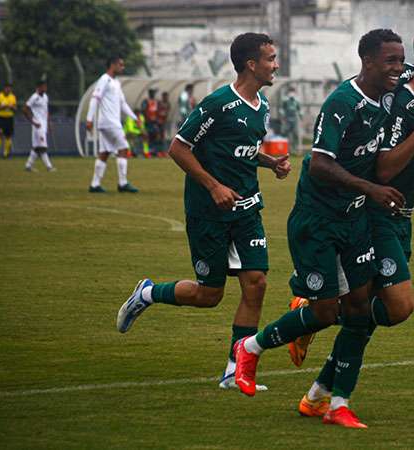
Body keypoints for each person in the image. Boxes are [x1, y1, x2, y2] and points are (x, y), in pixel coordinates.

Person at [292, 25, 414, 422]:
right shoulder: (397, 101)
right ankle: (314, 317)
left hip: (402, 217)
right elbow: (384, 170)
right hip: (376, 215)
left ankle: (319, 392)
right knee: (397, 307)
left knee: (367, 317)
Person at [233, 28, 406, 429]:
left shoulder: (392, 86)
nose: (398, 68)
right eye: (391, 61)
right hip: (318, 222)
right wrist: (372, 188)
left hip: (355, 218)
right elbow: (322, 163)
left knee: (360, 310)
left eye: (401, 60)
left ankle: (337, 404)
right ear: (368, 62)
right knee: (326, 313)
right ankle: (250, 346)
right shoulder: (342, 103)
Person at [115, 33, 292, 391]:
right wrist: (213, 187)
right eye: (271, 59)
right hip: (208, 212)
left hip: (246, 209)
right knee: (208, 295)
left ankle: (234, 370)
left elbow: (241, 148)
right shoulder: (218, 104)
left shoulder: (262, 105)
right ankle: (148, 293)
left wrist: (270, 162)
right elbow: (179, 148)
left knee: (256, 284)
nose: (277, 65)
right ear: (250, 64)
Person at [86, 56, 141, 193]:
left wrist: (134, 118)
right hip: (110, 122)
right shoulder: (104, 79)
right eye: (121, 65)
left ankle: (95, 184)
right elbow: (95, 98)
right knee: (123, 148)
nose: (123, 67)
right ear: (113, 65)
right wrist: (89, 119)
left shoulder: (116, 82)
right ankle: (122, 183)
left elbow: (122, 104)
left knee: (104, 153)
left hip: (108, 123)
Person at [23, 80, 55, 172]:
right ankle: (49, 167)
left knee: (37, 147)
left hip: (44, 125)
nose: (45, 88)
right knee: (43, 146)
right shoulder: (34, 97)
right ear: (39, 87)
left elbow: (46, 111)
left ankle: (28, 166)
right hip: (38, 125)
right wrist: (33, 122)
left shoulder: (45, 97)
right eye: (43, 87)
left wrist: (49, 123)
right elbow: (25, 109)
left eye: (46, 86)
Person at [0, 82, 17, 158]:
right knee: (0, 133)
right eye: (7, 88)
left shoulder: (12, 97)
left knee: (8, 136)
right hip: (1, 117)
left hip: (9, 118)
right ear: (4, 88)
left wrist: (11, 107)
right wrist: (3, 107)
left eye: (9, 88)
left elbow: (15, 108)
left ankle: (5, 153)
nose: (8, 89)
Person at [279, 86, 302, 153]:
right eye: (290, 91)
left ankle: (295, 149)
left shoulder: (297, 101)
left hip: (295, 119)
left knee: (295, 134)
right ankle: (287, 149)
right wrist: (282, 116)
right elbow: (282, 109)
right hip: (287, 119)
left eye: (293, 91)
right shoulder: (285, 100)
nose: (292, 93)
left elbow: (299, 109)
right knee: (286, 134)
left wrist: (301, 116)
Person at [141, 89, 161, 157]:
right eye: (152, 93)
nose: (153, 94)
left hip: (154, 122)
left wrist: (157, 120)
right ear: (149, 94)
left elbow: (158, 110)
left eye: (154, 93)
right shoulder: (146, 101)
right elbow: (143, 111)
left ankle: (154, 151)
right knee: (147, 137)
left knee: (155, 136)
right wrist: (146, 119)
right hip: (148, 122)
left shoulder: (156, 102)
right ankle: (147, 151)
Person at [157, 91, 171, 155]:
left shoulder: (168, 104)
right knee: (158, 137)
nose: (166, 97)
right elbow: (157, 111)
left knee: (163, 137)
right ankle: (159, 151)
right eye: (165, 96)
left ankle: (163, 151)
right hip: (158, 122)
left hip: (164, 122)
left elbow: (167, 113)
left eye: (167, 96)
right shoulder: (159, 103)